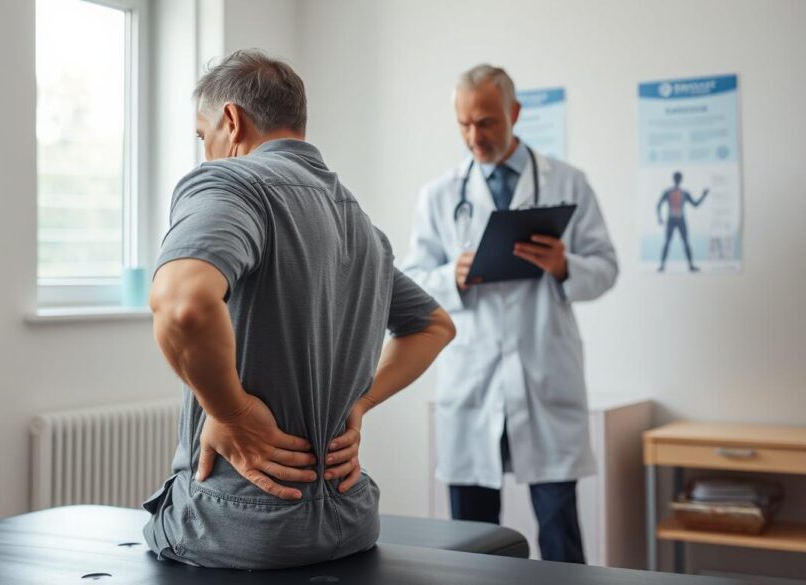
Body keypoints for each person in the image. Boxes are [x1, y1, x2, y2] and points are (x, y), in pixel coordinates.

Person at [142, 50, 455, 570]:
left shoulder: (230, 183)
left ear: (231, 121)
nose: (208, 153)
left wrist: (232, 413)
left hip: (237, 525)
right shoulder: (360, 227)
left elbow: (182, 305)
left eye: (204, 138)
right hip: (350, 521)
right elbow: (433, 326)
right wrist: (361, 403)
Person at [402, 64, 618, 564]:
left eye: (487, 122)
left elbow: (606, 268)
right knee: (472, 545)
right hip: (473, 385)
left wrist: (565, 265)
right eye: (464, 124)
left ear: (514, 114)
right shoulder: (439, 195)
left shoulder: (568, 183)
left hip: (544, 379)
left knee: (560, 533)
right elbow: (410, 278)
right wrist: (450, 276)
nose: (474, 137)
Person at [657, 171, 709, 272]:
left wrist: (703, 196)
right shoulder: (668, 192)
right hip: (671, 220)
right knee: (668, 243)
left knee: (685, 242)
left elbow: (695, 204)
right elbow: (659, 204)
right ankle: (662, 265)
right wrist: (659, 217)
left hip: (680, 220)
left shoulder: (684, 193)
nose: (678, 180)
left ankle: (690, 265)